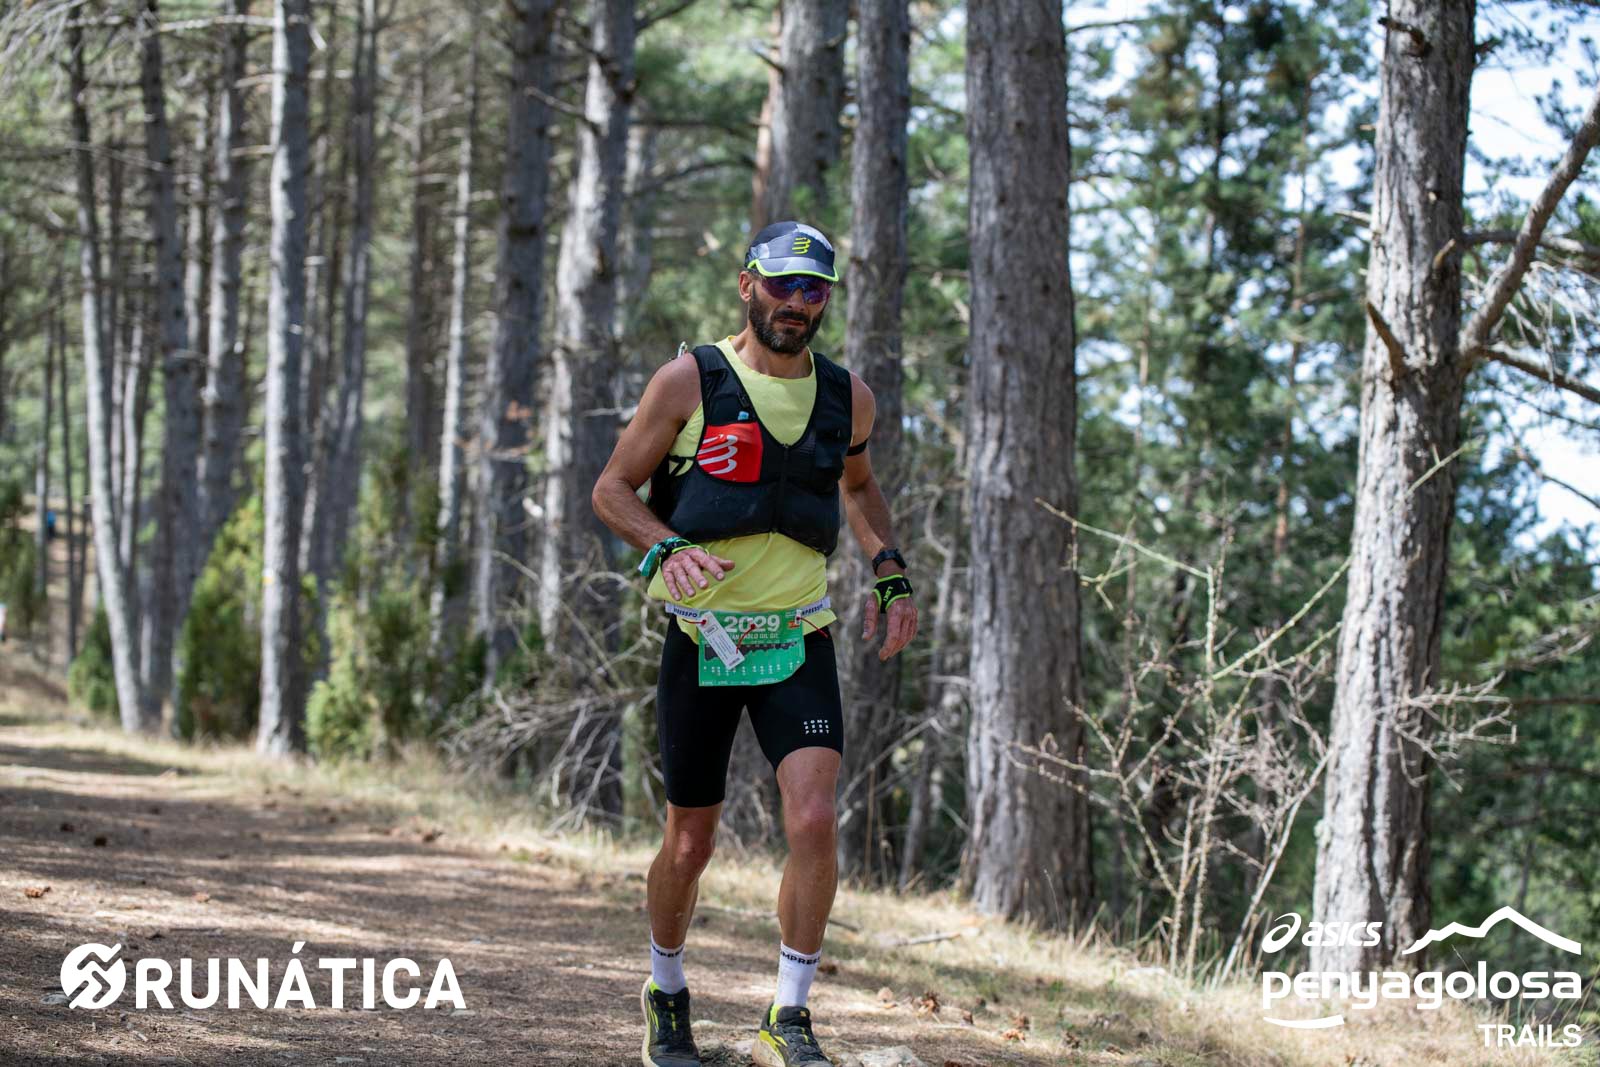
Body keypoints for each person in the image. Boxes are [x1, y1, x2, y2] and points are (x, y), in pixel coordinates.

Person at [592, 221, 920, 1067]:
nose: (797, 303)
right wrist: (663, 544)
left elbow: (859, 487)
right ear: (747, 285)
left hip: (797, 636)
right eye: (782, 285)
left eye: (814, 290)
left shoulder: (850, 397)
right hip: (704, 638)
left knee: (813, 815)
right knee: (690, 842)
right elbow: (612, 489)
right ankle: (666, 990)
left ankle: (790, 1014)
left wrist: (889, 569)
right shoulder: (689, 381)